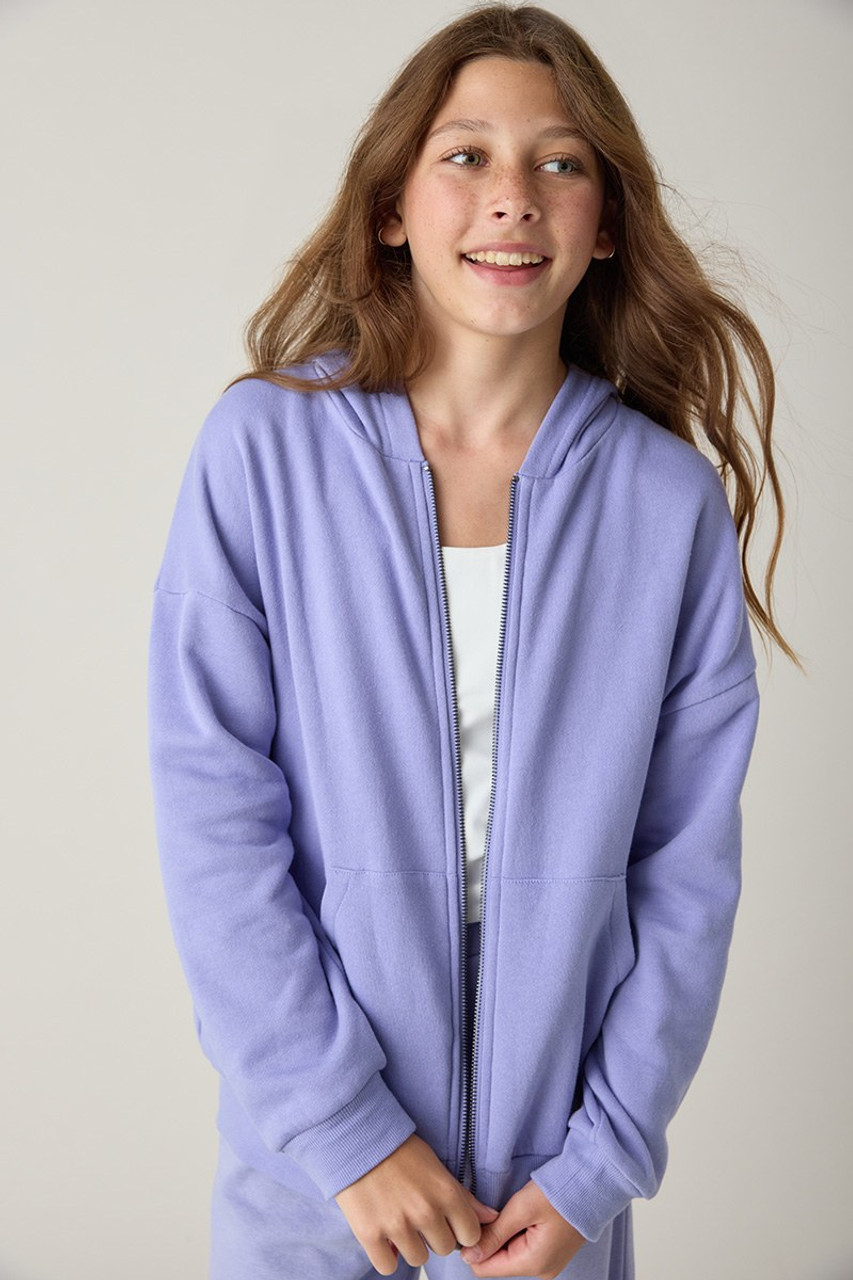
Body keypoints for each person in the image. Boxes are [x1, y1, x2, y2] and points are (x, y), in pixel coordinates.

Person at [147, 4, 801, 1278]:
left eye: (560, 162)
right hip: (315, 1191)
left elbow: (685, 870)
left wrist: (597, 1166)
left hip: (547, 1200)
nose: (514, 196)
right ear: (393, 205)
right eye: (466, 155)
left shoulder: (663, 504)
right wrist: (346, 1133)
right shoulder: (262, 453)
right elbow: (213, 816)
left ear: (605, 224)